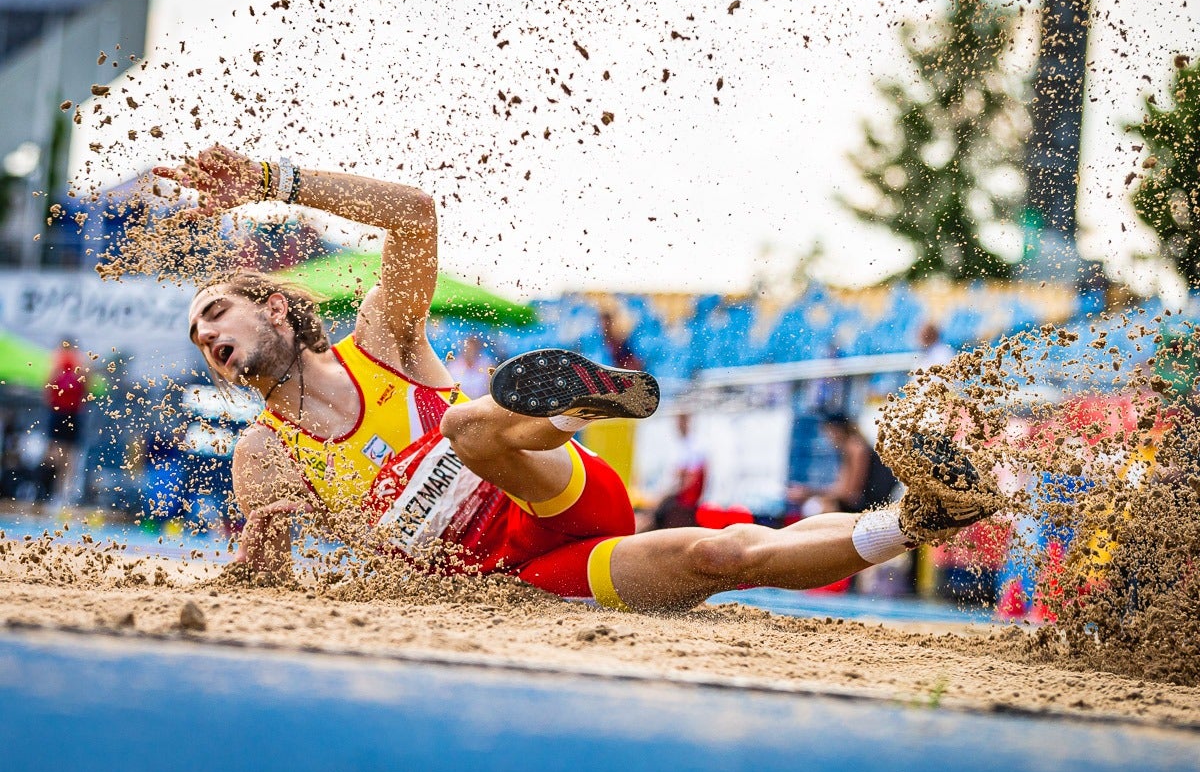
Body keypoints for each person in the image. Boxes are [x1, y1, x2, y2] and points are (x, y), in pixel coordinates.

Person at [159, 144, 996, 612]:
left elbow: (413, 213)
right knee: (720, 554)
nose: (205, 338)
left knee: (462, 429)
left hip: (551, 489)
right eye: (197, 339)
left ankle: (566, 411)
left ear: (273, 308)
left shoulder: (381, 339)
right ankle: (919, 518)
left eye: (213, 315)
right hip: (520, 577)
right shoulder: (263, 456)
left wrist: (272, 183)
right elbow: (260, 582)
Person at [788, 411, 897, 517]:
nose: (827, 438)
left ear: (837, 430)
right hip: (867, 502)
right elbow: (842, 489)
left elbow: (849, 493)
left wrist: (807, 493)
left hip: (874, 504)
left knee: (816, 509)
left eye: (827, 432)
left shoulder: (855, 447)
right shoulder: (850, 447)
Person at [42, 339, 89, 507]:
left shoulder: (73, 364)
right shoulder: (64, 364)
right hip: (64, 412)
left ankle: (60, 493)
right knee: (58, 455)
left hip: (67, 413)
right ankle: (54, 491)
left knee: (65, 456)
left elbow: (47, 388)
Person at [651, 413, 707, 529]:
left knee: (653, 517)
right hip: (681, 499)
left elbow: (690, 480)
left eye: (680, 421)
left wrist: (666, 495)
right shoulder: (683, 445)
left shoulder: (694, 446)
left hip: (685, 502)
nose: (678, 425)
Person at [446, 334, 494, 401]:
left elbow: (491, 390)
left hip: (479, 402)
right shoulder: (453, 366)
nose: (470, 351)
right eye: (467, 349)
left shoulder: (487, 366)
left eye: (472, 349)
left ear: (477, 350)